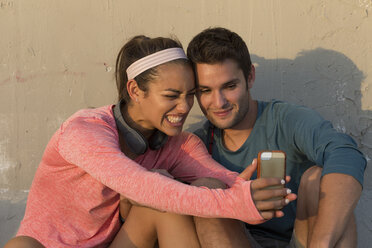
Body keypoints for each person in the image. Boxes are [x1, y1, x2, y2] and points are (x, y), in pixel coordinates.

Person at [4, 35, 296, 248]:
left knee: (168, 204)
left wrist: (253, 193)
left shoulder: (180, 144)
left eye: (190, 94)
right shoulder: (84, 132)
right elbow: (142, 186)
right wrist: (236, 201)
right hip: (44, 246)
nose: (185, 107)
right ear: (135, 90)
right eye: (171, 96)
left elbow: (224, 180)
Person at [187, 27, 366, 248]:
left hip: (304, 239)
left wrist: (322, 243)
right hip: (236, 240)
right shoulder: (197, 144)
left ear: (250, 77)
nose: (219, 102)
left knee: (317, 177)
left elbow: (347, 154)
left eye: (230, 86)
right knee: (205, 188)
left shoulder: (286, 120)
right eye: (205, 90)